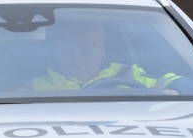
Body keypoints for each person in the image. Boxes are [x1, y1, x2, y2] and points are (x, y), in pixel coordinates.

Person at [28, 21, 182, 92]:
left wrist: (174, 91)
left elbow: (187, 85)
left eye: (85, 46)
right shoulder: (35, 88)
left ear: (102, 50)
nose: (77, 54)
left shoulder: (130, 75)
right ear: (57, 50)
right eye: (68, 46)